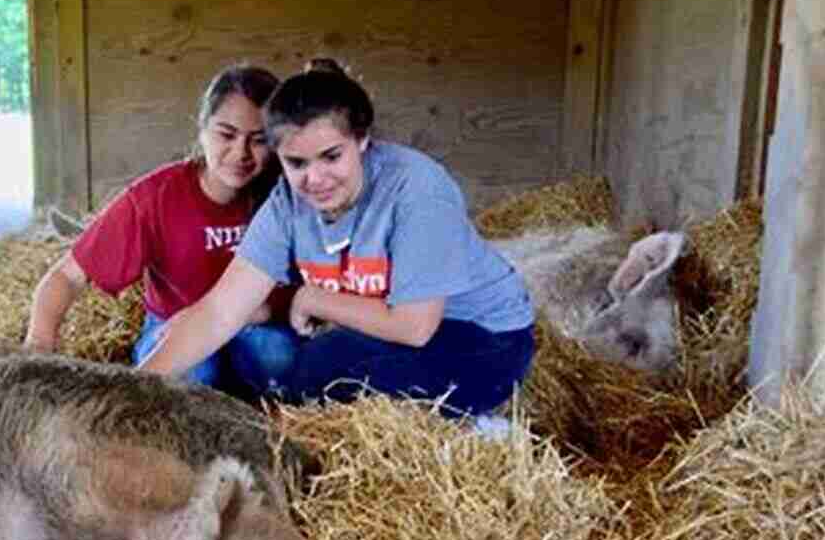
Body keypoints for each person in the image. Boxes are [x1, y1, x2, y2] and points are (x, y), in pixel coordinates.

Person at [138, 59, 536, 422]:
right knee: (307, 374)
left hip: (483, 334)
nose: (315, 179)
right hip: (394, 329)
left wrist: (311, 299)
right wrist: (129, 393)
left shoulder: (416, 189)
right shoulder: (286, 204)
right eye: (296, 163)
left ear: (362, 140)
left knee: (346, 395)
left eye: (331, 156)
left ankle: (482, 433)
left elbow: (415, 327)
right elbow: (220, 312)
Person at [24, 64, 299, 397]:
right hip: (175, 322)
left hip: (256, 323)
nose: (240, 153)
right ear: (202, 128)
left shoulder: (284, 195)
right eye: (226, 134)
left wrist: (256, 311)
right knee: (190, 379)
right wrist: (39, 344)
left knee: (280, 358)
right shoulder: (156, 197)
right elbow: (66, 276)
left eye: (258, 141)